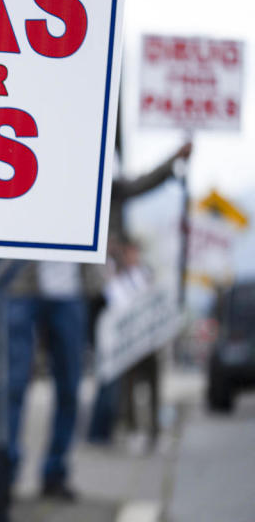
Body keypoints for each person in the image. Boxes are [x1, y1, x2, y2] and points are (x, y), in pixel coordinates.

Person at [87, 141, 192, 445]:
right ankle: (107, 427)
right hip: (97, 290)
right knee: (112, 366)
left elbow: (143, 182)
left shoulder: (114, 193)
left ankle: (115, 427)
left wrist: (173, 159)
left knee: (121, 366)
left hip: (113, 293)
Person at [5, 259, 103, 500]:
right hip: (23, 285)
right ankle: (6, 473)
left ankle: (55, 472)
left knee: (70, 388)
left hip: (71, 290)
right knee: (14, 386)